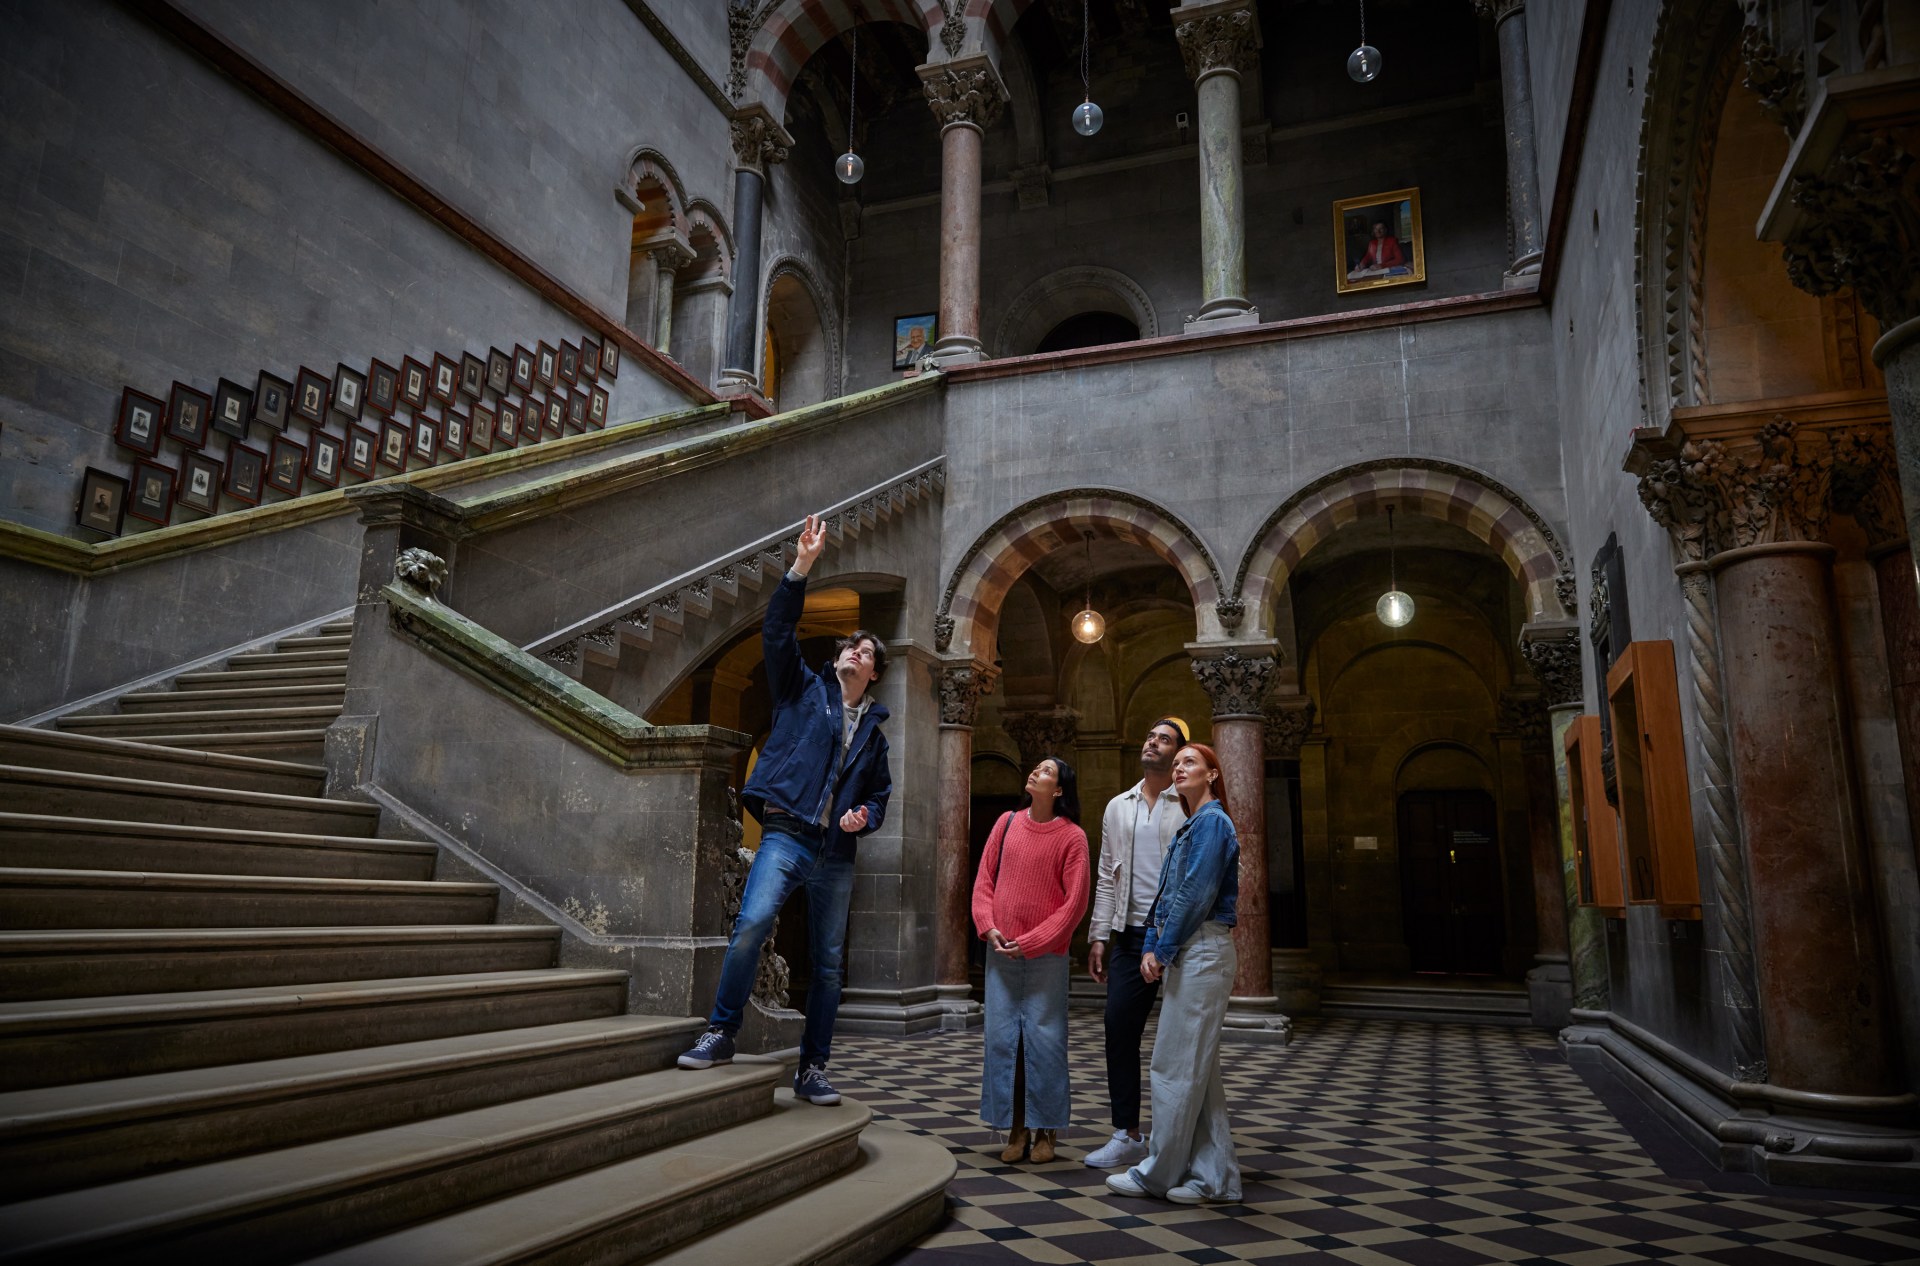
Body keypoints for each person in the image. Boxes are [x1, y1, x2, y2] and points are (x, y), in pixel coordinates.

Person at [677, 513, 892, 1109]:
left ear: (874, 672)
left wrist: (865, 819)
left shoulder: (875, 735)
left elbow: (879, 797)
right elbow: (776, 633)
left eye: (866, 650)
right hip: (787, 835)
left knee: (826, 966)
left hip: (836, 855)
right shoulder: (803, 689)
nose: (854, 651)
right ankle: (722, 1031)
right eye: (850, 645)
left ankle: (813, 1069)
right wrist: (800, 567)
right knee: (751, 924)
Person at [1106, 743, 1241, 1205]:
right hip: (1189, 948)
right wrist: (1150, 945)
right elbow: (1165, 895)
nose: (1180, 767)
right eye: (1177, 762)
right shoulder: (1191, 826)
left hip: (1201, 948)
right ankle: (1214, 1179)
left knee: (1173, 1068)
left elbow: (1196, 893)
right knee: (1199, 1074)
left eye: (1191, 763)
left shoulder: (1212, 824)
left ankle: (1157, 1175)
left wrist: (1161, 950)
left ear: (1213, 775)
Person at [972, 756, 1090, 1164]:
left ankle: (1047, 1132)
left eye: (1045, 771)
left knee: (1046, 1042)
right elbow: (984, 881)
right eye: (1036, 769)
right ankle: (1016, 1128)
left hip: (1046, 958)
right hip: (1001, 954)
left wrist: (1035, 941)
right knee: (1005, 1042)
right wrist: (988, 926)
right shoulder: (1005, 823)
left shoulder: (1073, 838)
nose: (1035, 773)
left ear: (1058, 790)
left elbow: (1073, 905)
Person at [1083, 718, 1189, 1170]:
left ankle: (1179, 1143)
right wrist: (1098, 933)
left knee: (1181, 1041)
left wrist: (1170, 937)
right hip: (1129, 933)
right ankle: (1127, 1133)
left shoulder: (1187, 805)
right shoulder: (1117, 807)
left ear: (1179, 754)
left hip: (1177, 934)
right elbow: (1108, 873)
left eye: (1164, 739)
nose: (1153, 742)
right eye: (1150, 735)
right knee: (1118, 1028)